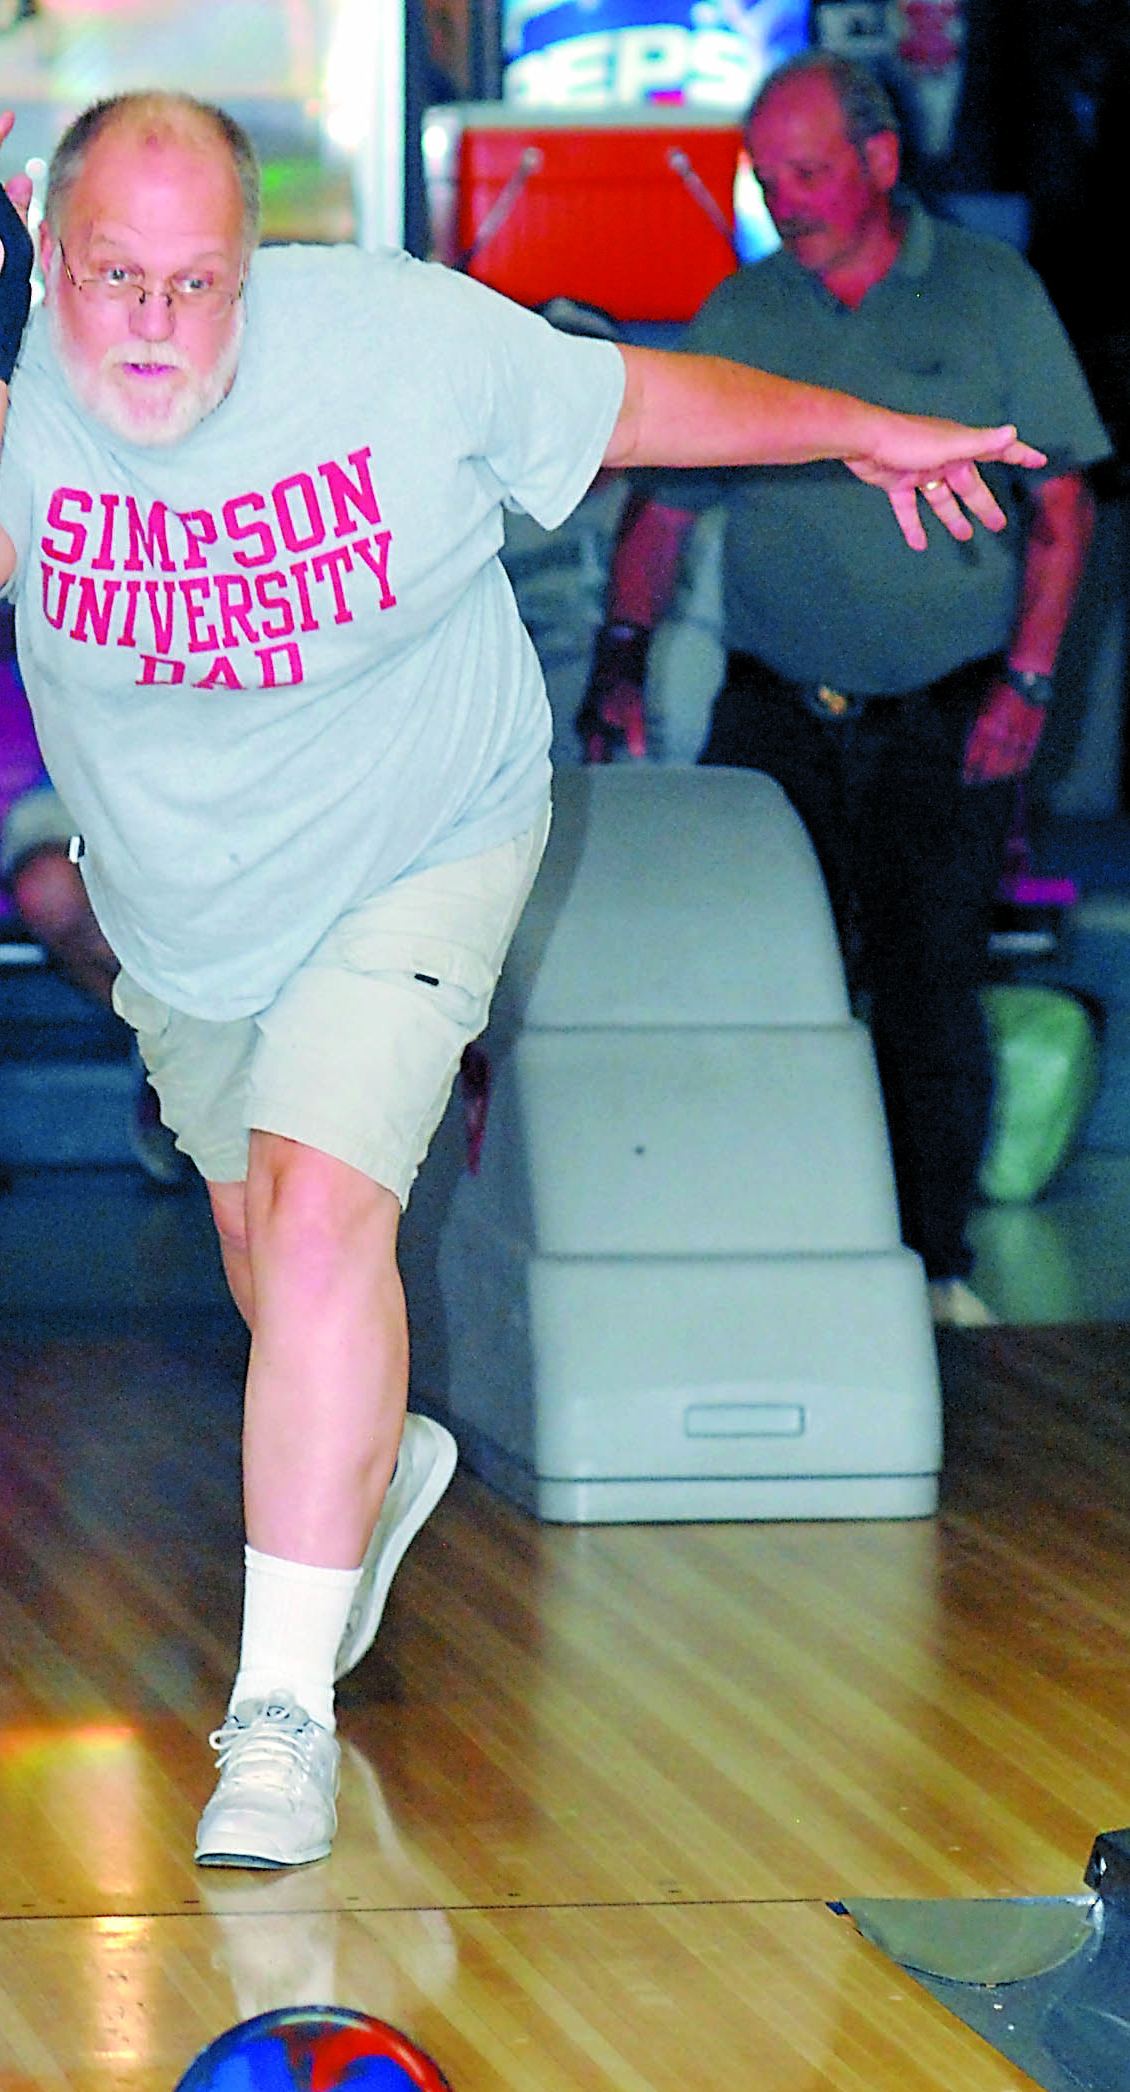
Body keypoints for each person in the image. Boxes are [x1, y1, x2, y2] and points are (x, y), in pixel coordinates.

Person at [0, 66, 1045, 1870]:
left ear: (260, 267)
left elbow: (639, 402)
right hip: (190, 904)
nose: (157, 325)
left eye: (199, 282)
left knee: (328, 1216)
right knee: (275, 1256)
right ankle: (380, 1462)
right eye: (112, 278)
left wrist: (859, 428)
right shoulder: (4, 375)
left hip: (425, 841)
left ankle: (277, 1720)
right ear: (50, 257)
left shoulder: (402, 344)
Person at [576, 52, 1108, 1329]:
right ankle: (766, 1246)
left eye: (808, 172)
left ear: (879, 161)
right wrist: (622, 660)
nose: (786, 200)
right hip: (778, 708)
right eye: (766, 177)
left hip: (950, 702)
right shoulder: (745, 314)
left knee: (928, 979)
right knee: (756, 976)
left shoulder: (989, 297)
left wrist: (1028, 684)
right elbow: (665, 507)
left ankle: (929, 1266)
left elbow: (1063, 506)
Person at [0, 783, 194, 1185]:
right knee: (51, 890)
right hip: (83, 792)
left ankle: (184, 1057)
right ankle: (174, 1054)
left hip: (226, 797)